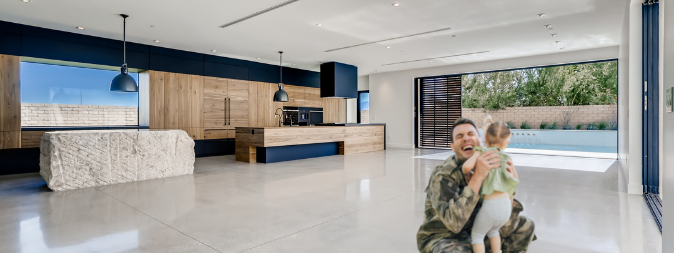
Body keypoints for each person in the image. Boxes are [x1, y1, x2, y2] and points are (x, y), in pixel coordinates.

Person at [416, 118, 536, 253]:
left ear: (481, 141)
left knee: (525, 226)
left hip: (477, 226)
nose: (466, 138)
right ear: (452, 147)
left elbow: (503, 203)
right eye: (459, 136)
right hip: (445, 236)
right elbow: (454, 224)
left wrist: (508, 183)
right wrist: (477, 178)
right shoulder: (443, 175)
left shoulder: (491, 161)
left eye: (471, 134)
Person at [462, 119, 519, 253]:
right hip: (506, 207)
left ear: (485, 138)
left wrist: (470, 173)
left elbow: (466, 167)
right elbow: (515, 180)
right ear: (507, 142)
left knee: (477, 236)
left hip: (490, 206)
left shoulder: (481, 152)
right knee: (494, 232)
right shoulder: (507, 158)